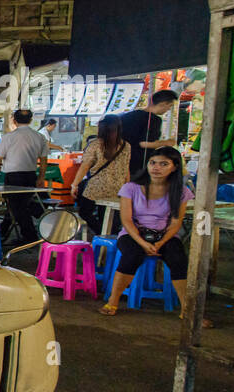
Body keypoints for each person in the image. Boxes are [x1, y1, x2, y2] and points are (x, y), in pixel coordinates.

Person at [100, 146, 194, 317]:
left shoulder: (181, 192)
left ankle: (187, 310)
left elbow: (175, 223)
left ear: (175, 167)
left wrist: (159, 243)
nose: (156, 168)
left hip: (164, 236)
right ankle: (113, 301)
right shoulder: (131, 188)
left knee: (178, 258)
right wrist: (143, 242)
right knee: (132, 255)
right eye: (153, 163)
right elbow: (126, 221)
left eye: (163, 164)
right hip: (133, 234)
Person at [0, 108, 48, 245]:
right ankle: (3, 230)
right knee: (18, 205)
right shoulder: (39, 137)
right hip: (30, 176)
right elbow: (43, 160)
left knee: (18, 207)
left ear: (14, 120)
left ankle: (29, 236)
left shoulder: (8, 137)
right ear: (30, 120)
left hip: (13, 177)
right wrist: (41, 178)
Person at [70, 114, 130, 231]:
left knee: (84, 212)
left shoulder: (95, 145)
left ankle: (101, 232)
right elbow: (126, 167)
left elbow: (85, 166)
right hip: (117, 186)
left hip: (96, 187)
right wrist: (127, 186)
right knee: (108, 216)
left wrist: (75, 184)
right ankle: (107, 236)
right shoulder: (126, 146)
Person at [120, 89, 177, 176]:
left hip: (120, 161)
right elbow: (144, 143)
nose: (168, 109)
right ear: (163, 103)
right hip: (137, 165)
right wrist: (167, 143)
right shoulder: (154, 119)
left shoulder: (129, 115)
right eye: (169, 106)